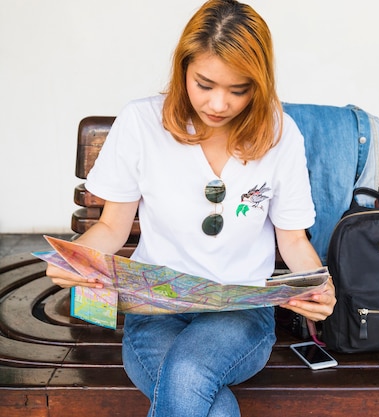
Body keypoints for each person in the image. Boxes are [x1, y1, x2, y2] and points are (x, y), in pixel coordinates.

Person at [45, 1, 336, 415]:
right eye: (205, 84)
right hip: (154, 311)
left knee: (186, 373)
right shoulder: (141, 124)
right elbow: (112, 226)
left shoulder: (279, 134)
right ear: (183, 69)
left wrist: (319, 286)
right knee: (206, 402)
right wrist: (73, 259)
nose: (219, 104)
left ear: (260, 83)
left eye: (239, 90)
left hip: (241, 316)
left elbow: (291, 239)